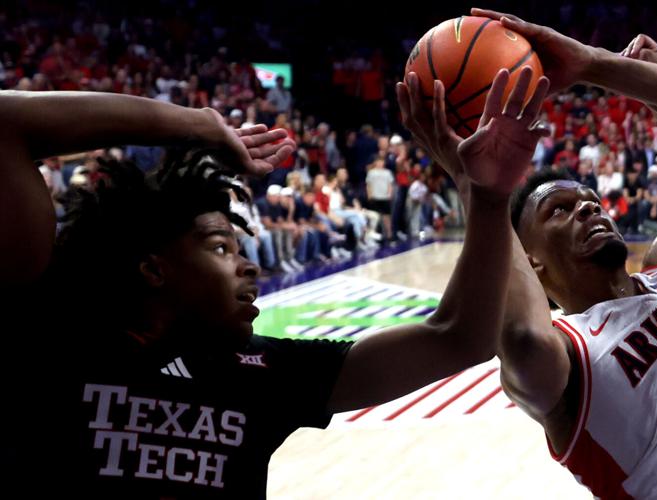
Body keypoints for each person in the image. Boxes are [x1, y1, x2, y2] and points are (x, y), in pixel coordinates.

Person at [0, 68, 547, 497]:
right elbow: (9, 123)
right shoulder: (50, 336)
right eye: (220, 247)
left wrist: (488, 196)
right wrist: (199, 125)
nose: (249, 265)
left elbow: (459, 336)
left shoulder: (260, 373)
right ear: (153, 268)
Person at [400, 13, 657, 498]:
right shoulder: (565, 353)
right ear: (531, 261)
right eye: (559, 211)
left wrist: (593, 65)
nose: (586, 206)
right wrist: (476, 186)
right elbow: (520, 336)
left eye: (590, 200)